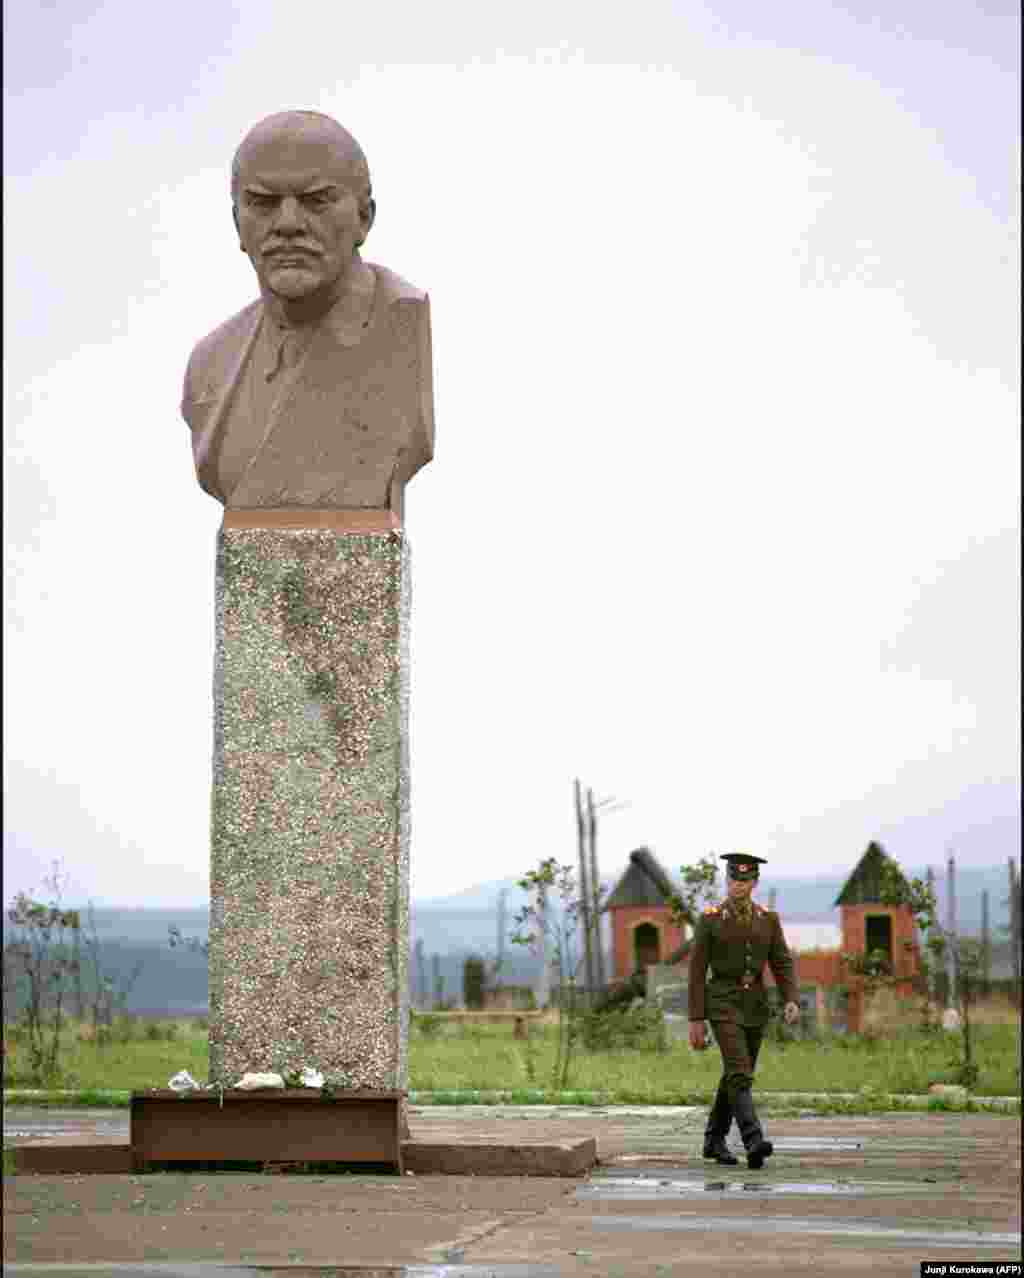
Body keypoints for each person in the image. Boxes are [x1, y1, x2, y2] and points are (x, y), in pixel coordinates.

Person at [181, 110, 434, 518]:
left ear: (364, 218)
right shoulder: (210, 365)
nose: (288, 224)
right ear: (236, 222)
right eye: (262, 203)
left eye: (316, 201)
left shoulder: (399, 325)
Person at [688, 854, 799, 1169]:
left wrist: (790, 997)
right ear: (727, 880)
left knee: (735, 1075)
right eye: (734, 879)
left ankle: (714, 1139)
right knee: (740, 1073)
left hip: (755, 1006)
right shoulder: (710, 919)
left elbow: (781, 961)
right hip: (721, 1003)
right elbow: (696, 972)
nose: (739, 885)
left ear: (754, 883)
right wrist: (696, 1019)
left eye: (745, 880)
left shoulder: (768, 919)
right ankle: (753, 1140)